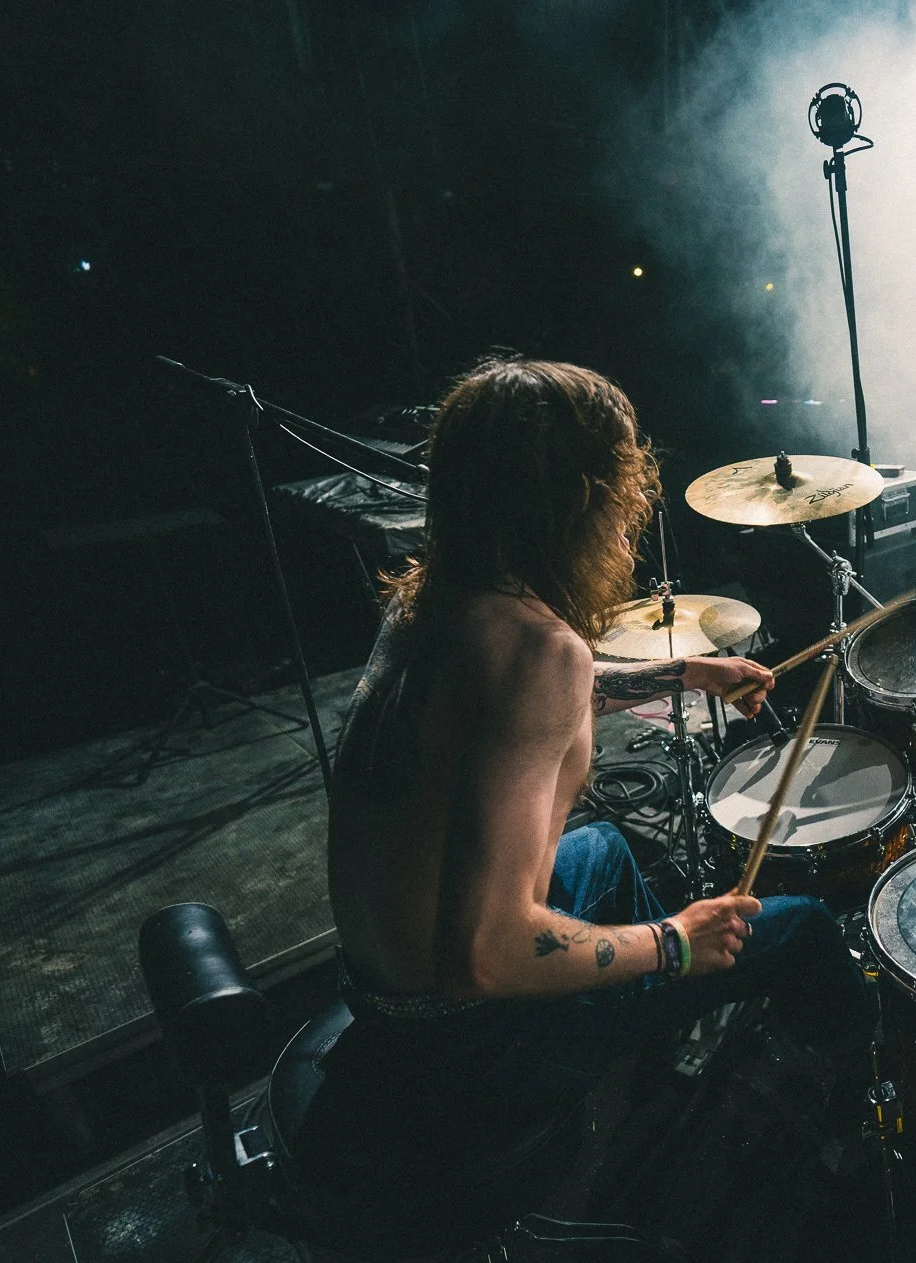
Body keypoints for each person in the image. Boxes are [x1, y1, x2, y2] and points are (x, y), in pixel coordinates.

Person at [307, 356, 865, 1175]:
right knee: (808, 930)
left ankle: (655, 1027)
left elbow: (526, 701)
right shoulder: (538, 649)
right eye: (624, 481)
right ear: (572, 499)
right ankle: (840, 1124)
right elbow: (484, 956)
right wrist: (673, 943)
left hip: (381, 996)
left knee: (602, 847)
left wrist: (683, 671)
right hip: (469, 1046)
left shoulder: (432, 601)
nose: (638, 503)